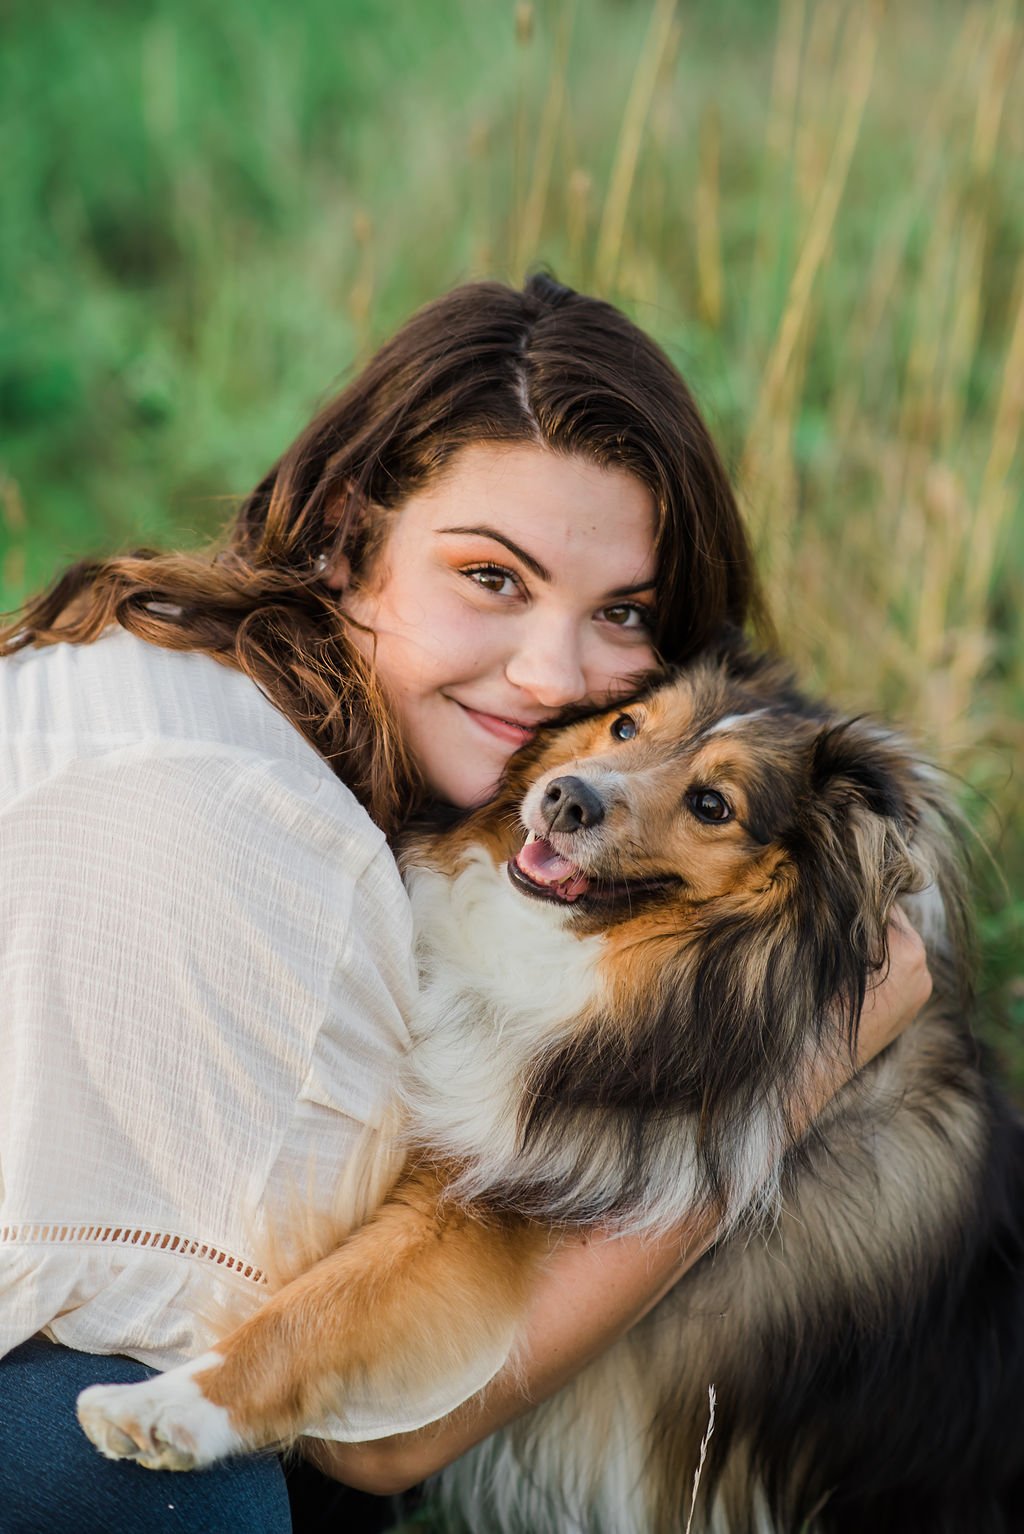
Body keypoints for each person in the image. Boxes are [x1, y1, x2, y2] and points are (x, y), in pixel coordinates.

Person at [0, 274, 931, 1533]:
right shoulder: (274, 850)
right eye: (492, 577)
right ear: (346, 532)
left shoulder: (184, 661)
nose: (552, 674)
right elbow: (387, 1440)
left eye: (621, 615)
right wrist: (805, 1057)